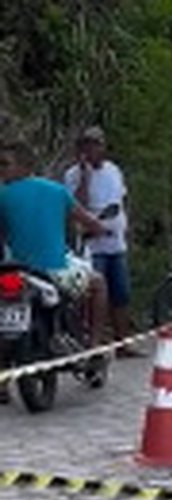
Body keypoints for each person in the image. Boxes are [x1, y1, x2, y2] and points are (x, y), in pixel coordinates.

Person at [0, 139, 110, 404]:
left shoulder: (2, 195)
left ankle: (3, 383)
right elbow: (88, 221)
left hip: (14, 270)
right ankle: (94, 346)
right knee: (99, 284)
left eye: (4, 164)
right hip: (55, 269)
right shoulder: (56, 191)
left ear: (24, 165)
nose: (1, 169)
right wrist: (101, 229)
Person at [64, 126, 143, 358]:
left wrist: (126, 226)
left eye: (96, 144)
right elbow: (75, 206)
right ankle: (92, 342)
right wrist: (85, 177)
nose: (92, 150)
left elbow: (120, 200)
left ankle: (123, 343)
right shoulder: (73, 175)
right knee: (93, 294)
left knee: (121, 293)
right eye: (87, 145)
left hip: (115, 242)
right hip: (91, 245)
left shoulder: (113, 171)